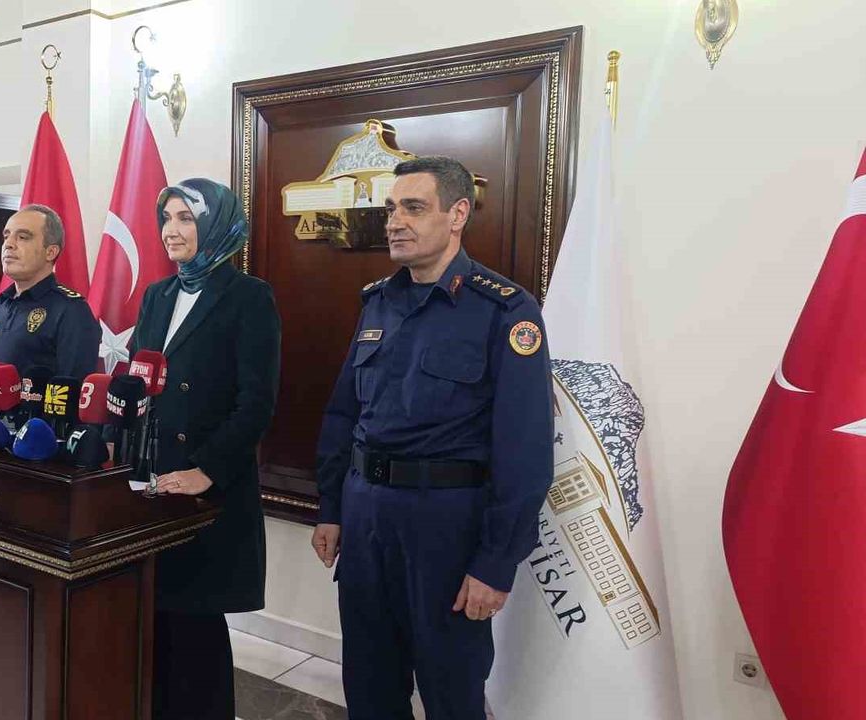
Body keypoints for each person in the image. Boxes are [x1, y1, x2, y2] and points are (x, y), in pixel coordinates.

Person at [311, 157, 554, 719]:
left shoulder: (505, 310)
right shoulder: (378, 301)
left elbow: (524, 451)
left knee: (451, 690)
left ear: (457, 214)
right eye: (391, 208)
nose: (395, 221)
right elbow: (344, 413)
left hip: (446, 526)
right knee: (369, 683)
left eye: (414, 208)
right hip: (366, 517)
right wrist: (331, 508)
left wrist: (495, 562)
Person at [130, 178, 281, 720]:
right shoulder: (156, 294)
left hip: (206, 489)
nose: (170, 230)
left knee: (196, 628)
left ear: (218, 225)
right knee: (153, 620)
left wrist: (206, 470)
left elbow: (256, 404)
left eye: (186, 218)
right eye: (166, 218)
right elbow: (138, 379)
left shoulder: (249, 297)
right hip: (151, 482)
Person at [0, 204, 101, 379]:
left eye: (22, 237)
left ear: (50, 252)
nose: (8, 244)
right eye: (6, 236)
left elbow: (73, 387)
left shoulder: (71, 310)